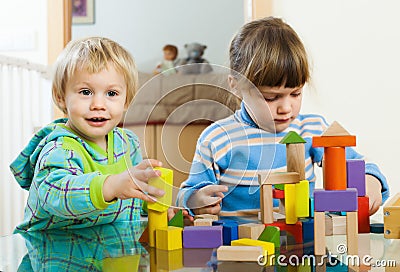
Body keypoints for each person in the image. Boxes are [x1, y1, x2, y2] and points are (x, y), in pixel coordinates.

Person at [176, 17, 389, 217]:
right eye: (271, 98)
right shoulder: (217, 138)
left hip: (303, 246)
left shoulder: (312, 128)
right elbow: (188, 194)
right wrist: (196, 201)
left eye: (296, 93)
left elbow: (361, 166)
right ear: (236, 86)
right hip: (239, 248)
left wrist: (370, 181)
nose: (286, 108)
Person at [10, 37, 165, 232]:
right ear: (60, 96)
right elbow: (57, 194)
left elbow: (133, 193)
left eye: (111, 94)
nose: (98, 104)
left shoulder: (128, 143)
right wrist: (110, 186)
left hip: (107, 249)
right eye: (85, 91)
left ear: (127, 101)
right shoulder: (59, 147)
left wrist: (157, 204)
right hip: (53, 252)